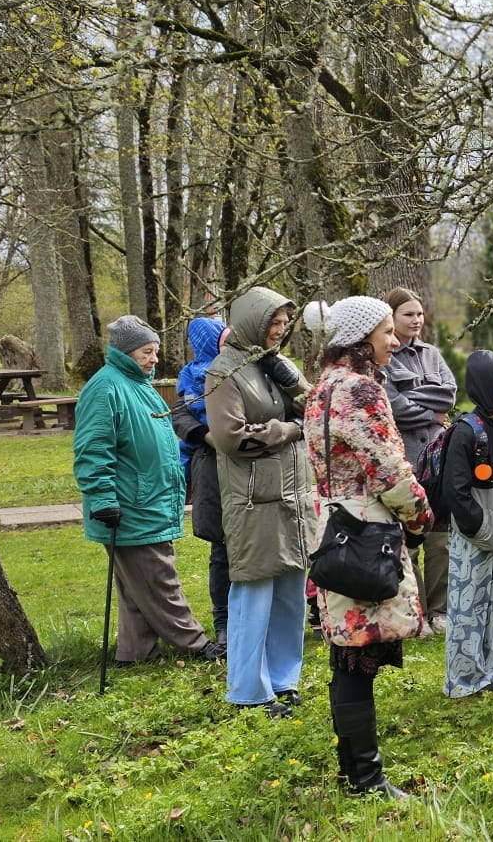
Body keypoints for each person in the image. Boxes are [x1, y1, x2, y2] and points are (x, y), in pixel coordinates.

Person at [304, 296, 428, 794]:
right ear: (361, 338)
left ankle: (354, 770)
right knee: (355, 661)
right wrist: (420, 515)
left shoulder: (322, 387)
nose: (394, 341)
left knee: (346, 657)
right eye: (386, 331)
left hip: (332, 527)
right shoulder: (360, 389)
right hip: (366, 534)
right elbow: (388, 470)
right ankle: (366, 779)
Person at [74, 316, 222, 667]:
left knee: (136, 585)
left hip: (147, 500)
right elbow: (92, 449)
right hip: (130, 505)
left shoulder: (137, 384)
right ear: (126, 352)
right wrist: (103, 498)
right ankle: (196, 644)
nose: (155, 359)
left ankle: (135, 652)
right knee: (158, 580)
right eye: (147, 352)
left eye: (155, 351)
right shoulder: (105, 388)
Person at [207, 287, 314, 715]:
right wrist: (287, 429)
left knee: (290, 593)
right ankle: (249, 691)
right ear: (252, 321)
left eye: (285, 323)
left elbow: (314, 408)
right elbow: (230, 438)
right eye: (274, 322)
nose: (280, 330)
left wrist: (290, 378)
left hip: (292, 497)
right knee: (253, 595)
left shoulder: (275, 363)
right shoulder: (225, 372)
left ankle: (283, 680)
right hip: (253, 500)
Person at [439, 350, 493, 698]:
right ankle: (465, 680)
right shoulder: (466, 432)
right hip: (475, 536)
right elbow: (455, 490)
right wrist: (478, 525)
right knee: (469, 608)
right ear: (490, 385)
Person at [381, 287, 458, 635]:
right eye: (408, 314)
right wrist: (431, 412)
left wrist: (415, 400)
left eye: (420, 314)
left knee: (440, 541)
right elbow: (394, 406)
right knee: (409, 541)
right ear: (392, 317)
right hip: (407, 461)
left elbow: (449, 395)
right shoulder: (384, 358)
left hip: (438, 463)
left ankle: (440, 610)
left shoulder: (432, 354)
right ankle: (417, 613)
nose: (416, 320)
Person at [171, 315, 230, 643]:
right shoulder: (193, 375)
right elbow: (181, 415)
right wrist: (205, 435)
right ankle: (224, 622)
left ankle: (251, 618)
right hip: (212, 469)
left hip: (244, 468)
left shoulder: (241, 367)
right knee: (222, 549)